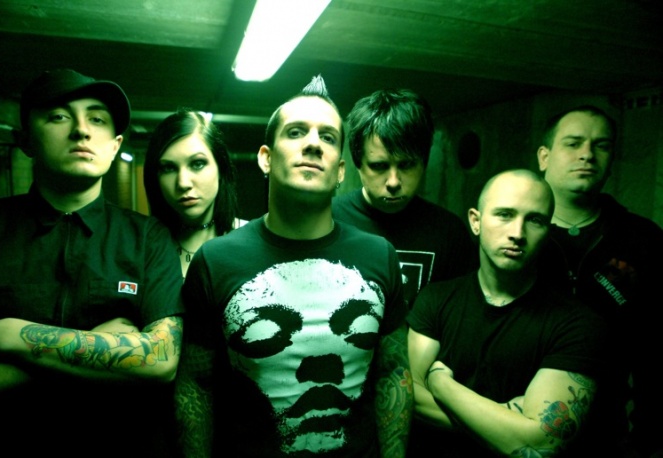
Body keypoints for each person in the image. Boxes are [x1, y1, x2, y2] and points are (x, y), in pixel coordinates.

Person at [174, 75, 412, 457]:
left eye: (328, 137)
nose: (313, 144)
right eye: (297, 132)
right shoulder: (216, 260)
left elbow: (393, 371)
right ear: (266, 158)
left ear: (340, 171)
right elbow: (196, 385)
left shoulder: (379, 256)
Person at [0, 69, 184, 456]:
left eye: (98, 119)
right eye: (58, 116)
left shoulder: (148, 238)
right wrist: (102, 350)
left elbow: (160, 360)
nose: (81, 131)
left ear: (115, 145)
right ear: (25, 140)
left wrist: (8, 336)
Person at [407, 169, 607, 457]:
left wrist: (441, 383)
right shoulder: (435, 300)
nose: (517, 233)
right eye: (504, 214)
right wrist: (505, 424)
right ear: (475, 221)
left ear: (548, 230)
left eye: (535, 220)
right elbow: (409, 397)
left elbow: (541, 445)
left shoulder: (578, 325)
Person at [537, 105, 663, 457]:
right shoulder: (513, 235)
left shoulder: (642, 239)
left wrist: (648, 440)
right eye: (573, 143)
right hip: (510, 423)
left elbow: (655, 347)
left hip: (607, 435)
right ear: (544, 157)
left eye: (601, 145)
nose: (587, 154)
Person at [332, 88, 475, 308]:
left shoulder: (449, 234)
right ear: (358, 164)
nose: (393, 182)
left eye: (406, 165)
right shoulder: (327, 219)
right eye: (379, 166)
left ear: (424, 162)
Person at [143, 108, 245, 277]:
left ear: (221, 169)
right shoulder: (142, 247)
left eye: (197, 164)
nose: (183, 183)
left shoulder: (252, 240)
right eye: (168, 168)